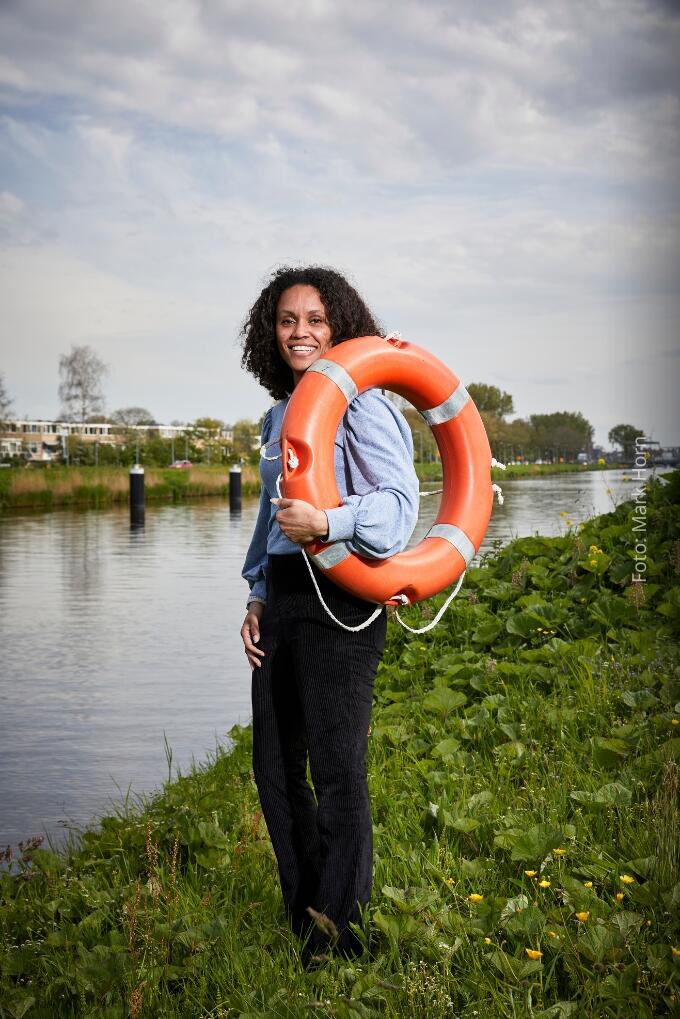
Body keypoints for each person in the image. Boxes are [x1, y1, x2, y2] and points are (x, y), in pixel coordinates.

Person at [239, 266, 419, 960]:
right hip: (284, 593)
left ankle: (345, 935)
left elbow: (399, 511)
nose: (301, 332)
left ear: (338, 324)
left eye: (315, 318)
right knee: (275, 768)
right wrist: (255, 593)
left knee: (338, 768)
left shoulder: (364, 404)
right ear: (270, 331)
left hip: (340, 593)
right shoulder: (279, 414)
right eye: (288, 320)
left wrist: (330, 517)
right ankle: (307, 916)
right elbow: (268, 519)